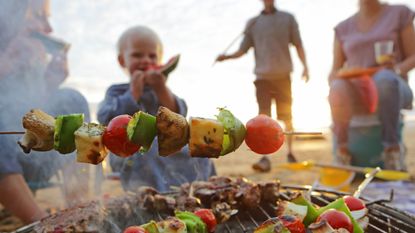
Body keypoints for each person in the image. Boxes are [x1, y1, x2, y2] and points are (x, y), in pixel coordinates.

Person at [0, 0, 90, 224]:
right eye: (40, 16)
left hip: (30, 158)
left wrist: (50, 83)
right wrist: (5, 64)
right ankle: (41, 223)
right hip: (4, 160)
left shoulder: (31, 63)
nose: (49, 29)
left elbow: (29, 118)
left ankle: (80, 212)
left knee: (71, 99)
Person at [97, 25, 216, 192]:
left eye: (152, 56)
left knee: (198, 145)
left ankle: (200, 189)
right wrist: (133, 94)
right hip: (129, 154)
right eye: (137, 55)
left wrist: (161, 89)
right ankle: (161, 197)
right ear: (122, 60)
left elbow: (179, 117)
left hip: (168, 153)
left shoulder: (160, 91)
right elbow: (105, 117)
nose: (146, 60)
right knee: (149, 146)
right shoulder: (116, 91)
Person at [215, 0, 309, 172]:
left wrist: (305, 66)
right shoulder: (252, 23)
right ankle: (264, 158)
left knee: (287, 117)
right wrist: (226, 57)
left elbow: (298, 44)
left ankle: (290, 152)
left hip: (283, 76)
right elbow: (243, 50)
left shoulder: (288, 18)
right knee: (263, 117)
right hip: (262, 77)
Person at [328, 0, 415, 170]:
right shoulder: (343, 28)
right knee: (338, 87)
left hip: (393, 85)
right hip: (356, 90)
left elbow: (413, 55)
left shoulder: (399, 13)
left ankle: (392, 151)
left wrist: (396, 69)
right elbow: (334, 71)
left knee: (384, 80)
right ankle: (342, 152)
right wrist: (340, 78)